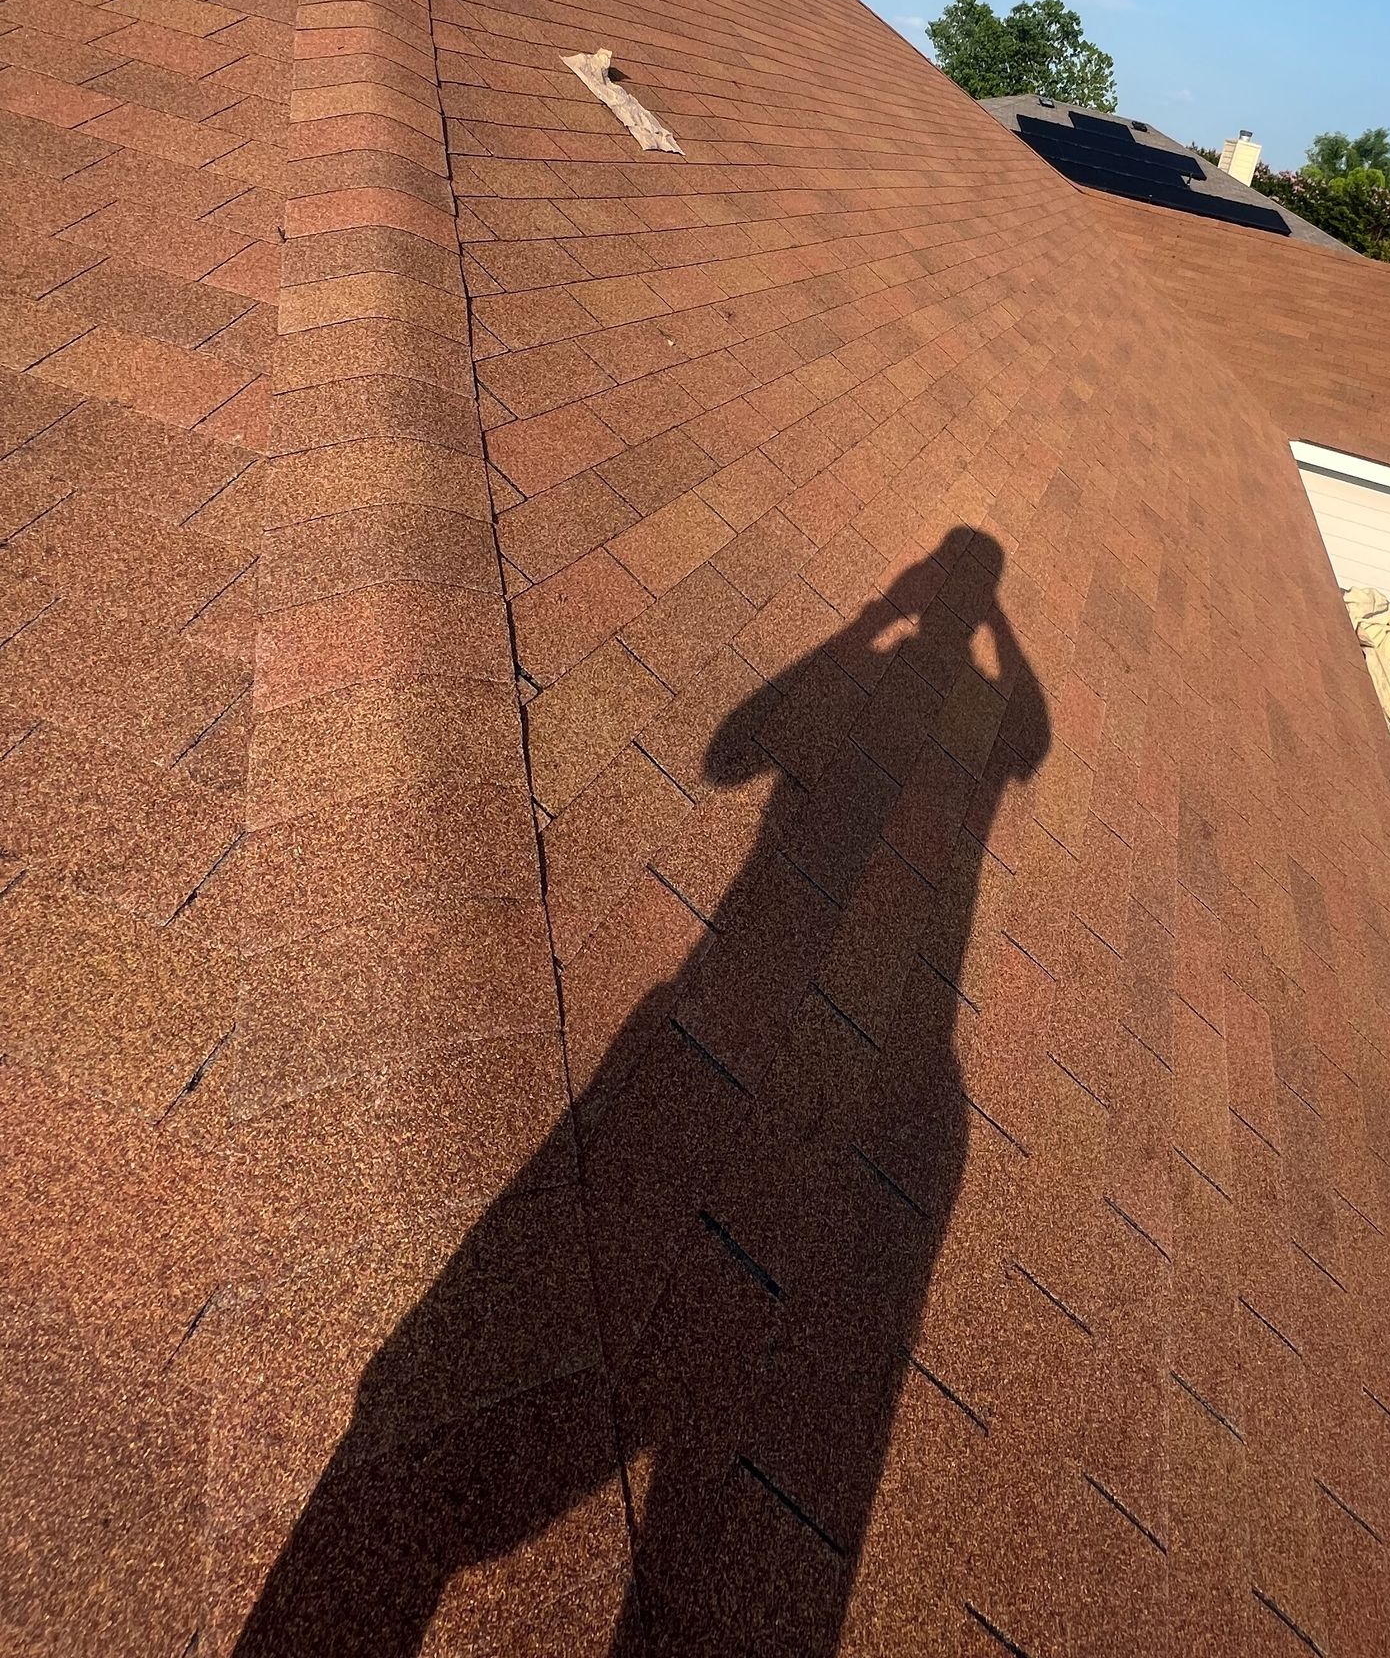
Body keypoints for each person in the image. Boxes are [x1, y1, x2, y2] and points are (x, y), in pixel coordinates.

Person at [233, 528, 1050, 1657]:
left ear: (932, 587)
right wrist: (980, 625)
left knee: (422, 1459)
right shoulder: (979, 706)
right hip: (863, 1030)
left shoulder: (882, 666)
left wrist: (875, 614)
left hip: (739, 988)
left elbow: (730, 753)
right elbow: (1031, 727)